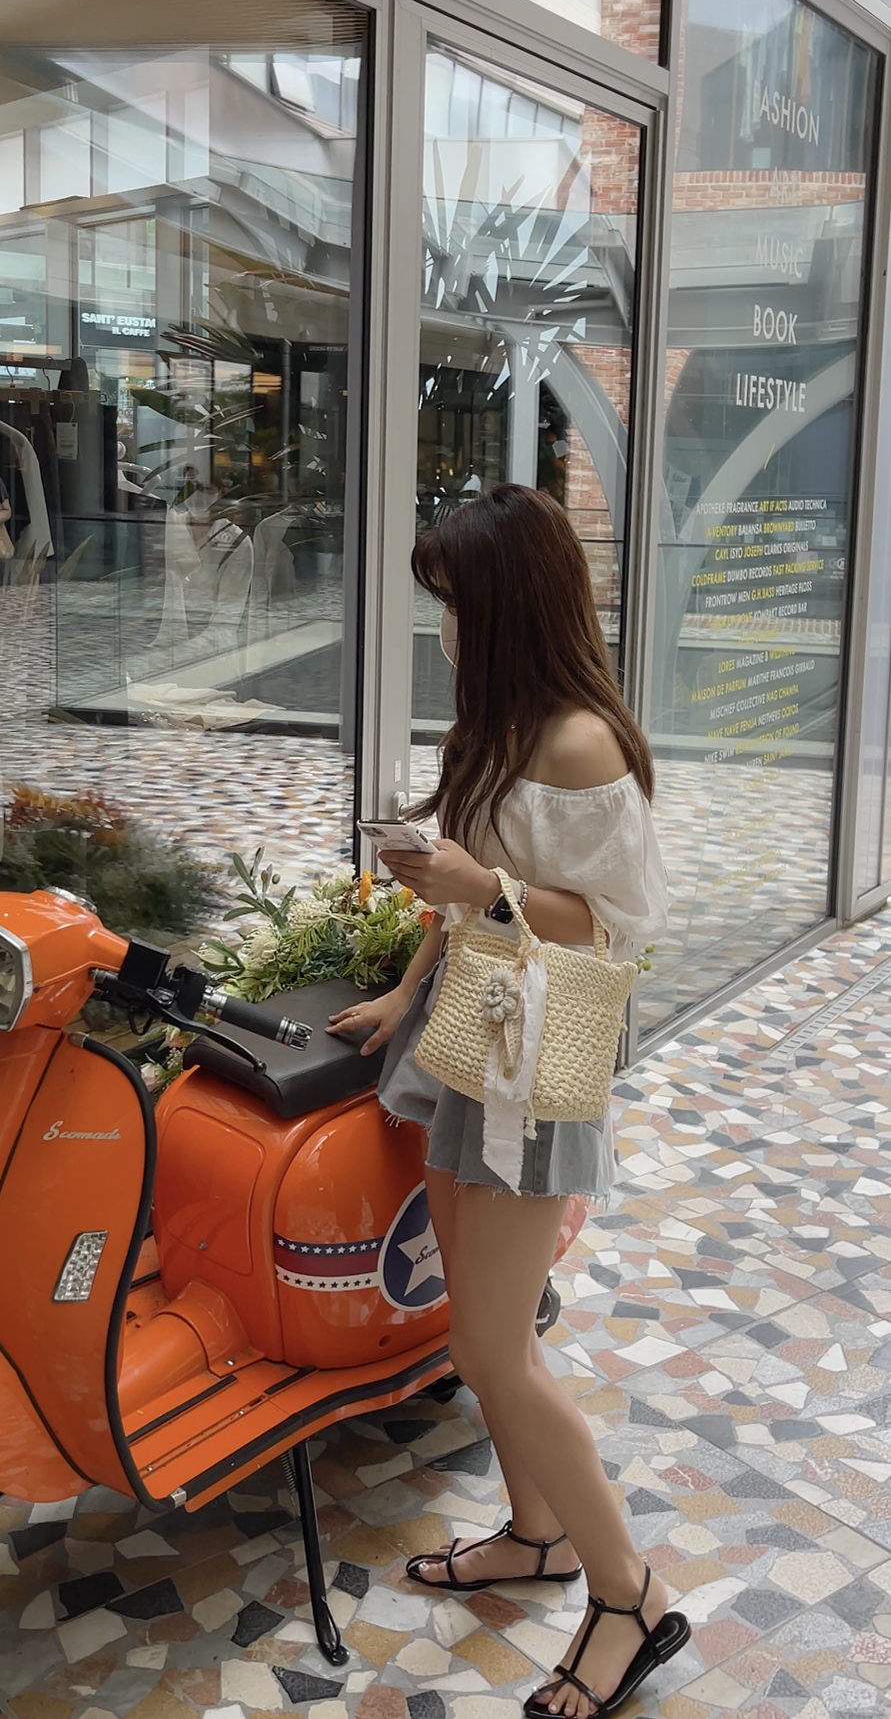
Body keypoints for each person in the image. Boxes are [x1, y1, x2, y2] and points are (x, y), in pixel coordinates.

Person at [328, 486, 688, 1719]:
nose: (441, 623)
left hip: (535, 1062)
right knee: (486, 1330)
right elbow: (471, 897)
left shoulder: (580, 743)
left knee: (490, 1345)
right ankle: (536, 1534)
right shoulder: (493, 723)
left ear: (506, 605)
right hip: (465, 1034)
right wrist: (404, 988)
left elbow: (617, 929)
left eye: (454, 602)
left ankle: (628, 1593)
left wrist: (481, 884)